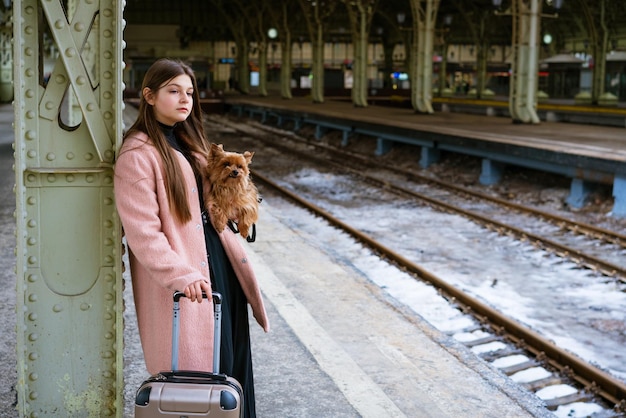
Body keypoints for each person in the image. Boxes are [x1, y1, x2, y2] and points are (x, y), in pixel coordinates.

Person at [114, 58, 269, 418]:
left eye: (189, 92)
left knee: (232, 374)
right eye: (173, 91)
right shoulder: (138, 155)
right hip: (190, 282)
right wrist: (180, 276)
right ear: (148, 96)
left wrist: (240, 206)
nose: (185, 99)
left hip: (221, 274)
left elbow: (212, 204)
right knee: (201, 381)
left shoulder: (192, 145)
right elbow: (143, 234)